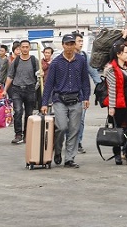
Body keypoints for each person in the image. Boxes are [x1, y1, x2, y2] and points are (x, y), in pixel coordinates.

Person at [40, 34, 90, 169]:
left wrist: (86, 97)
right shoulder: (56, 63)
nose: (70, 46)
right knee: (61, 127)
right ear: (63, 45)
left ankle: (69, 158)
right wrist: (44, 103)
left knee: (74, 129)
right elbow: (49, 84)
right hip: (59, 100)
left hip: (76, 99)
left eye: (72, 44)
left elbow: (85, 80)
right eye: (67, 44)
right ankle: (57, 149)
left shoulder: (81, 61)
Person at [103, 43, 127, 165]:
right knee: (117, 129)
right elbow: (112, 89)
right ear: (118, 54)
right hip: (118, 103)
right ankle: (117, 153)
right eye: (125, 52)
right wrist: (112, 107)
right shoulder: (111, 69)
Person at [2, 39, 40, 145]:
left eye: (26, 47)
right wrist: (5, 90)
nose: (24, 49)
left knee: (29, 114)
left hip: (30, 90)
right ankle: (18, 134)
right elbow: (10, 76)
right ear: (20, 48)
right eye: (22, 47)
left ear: (29, 48)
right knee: (18, 112)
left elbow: (38, 73)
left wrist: (40, 74)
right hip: (17, 89)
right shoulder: (16, 61)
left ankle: (27, 134)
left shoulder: (34, 60)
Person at [73, 31, 99, 155]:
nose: (81, 44)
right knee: (68, 121)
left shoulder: (84, 56)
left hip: (82, 95)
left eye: (82, 41)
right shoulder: (65, 57)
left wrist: (100, 85)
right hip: (67, 95)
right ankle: (70, 142)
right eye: (79, 41)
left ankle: (78, 142)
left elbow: (92, 71)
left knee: (81, 120)